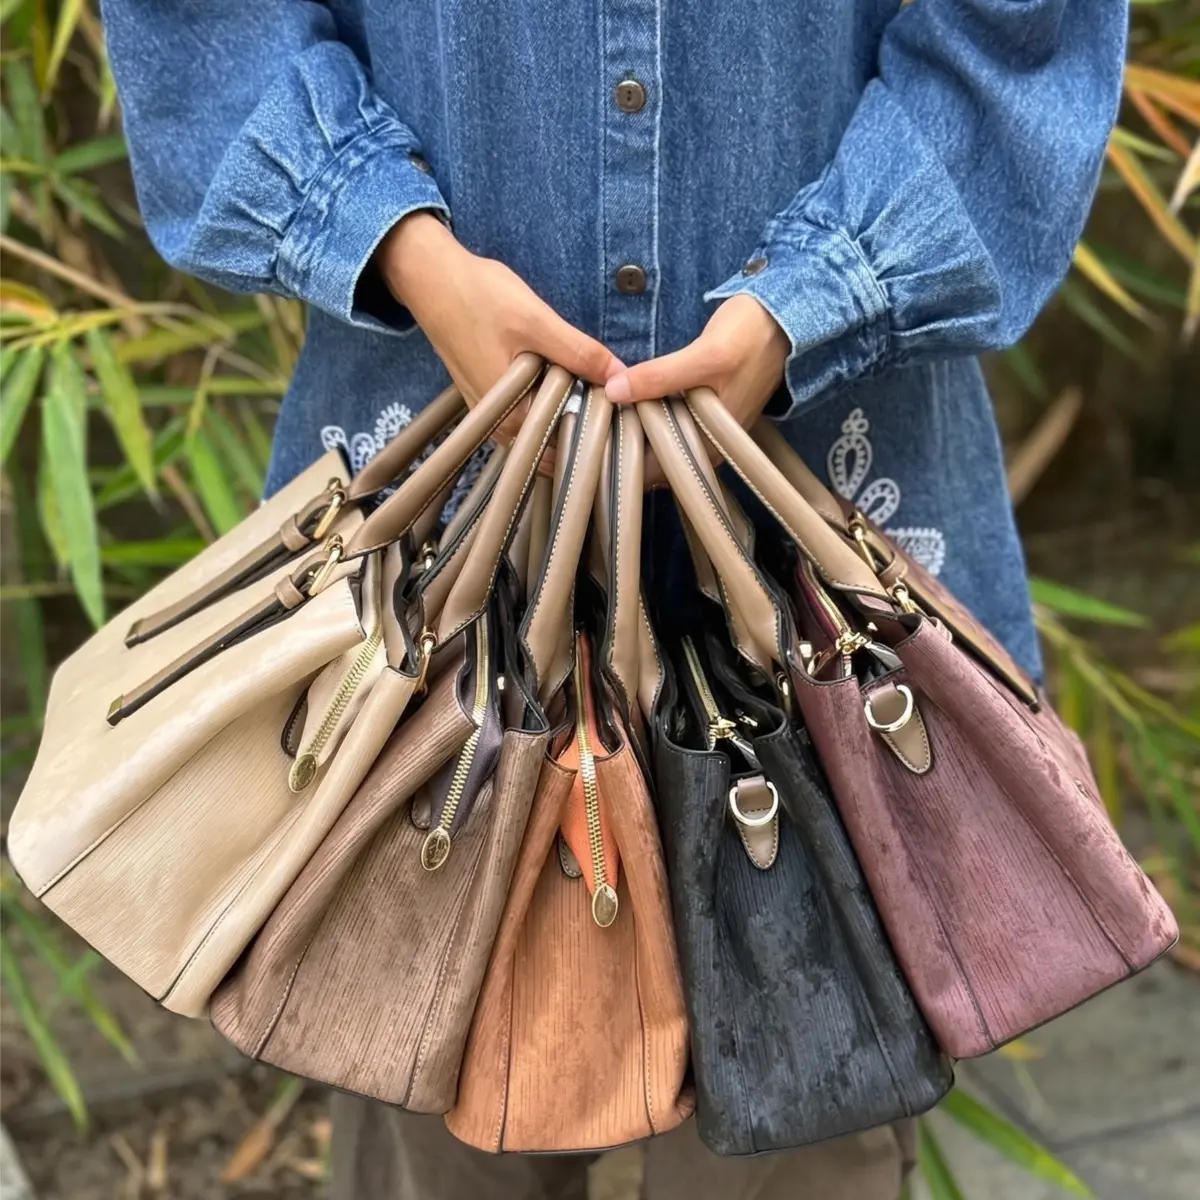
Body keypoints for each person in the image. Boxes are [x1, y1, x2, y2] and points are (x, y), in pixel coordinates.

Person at [100, 1, 1125, 1196]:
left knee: (804, 1129)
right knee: (437, 1111)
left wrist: (815, 299)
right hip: (447, 553)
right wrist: (408, 255)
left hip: (819, 546)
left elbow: (1015, 40)